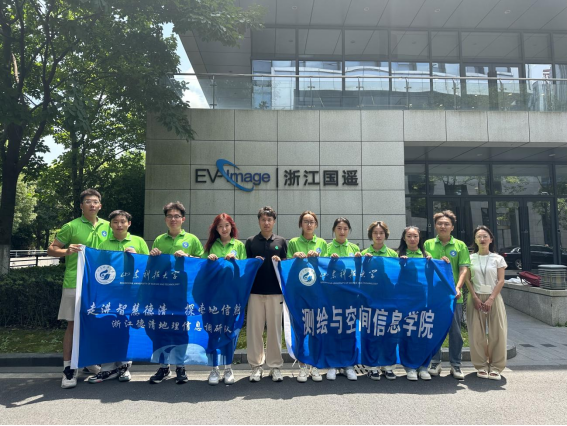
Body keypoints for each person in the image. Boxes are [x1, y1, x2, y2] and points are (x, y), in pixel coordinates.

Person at [48, 189, 111, 389]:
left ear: (100, 206)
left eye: (95, 201)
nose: (92, 204)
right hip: (74, 282)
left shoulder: (109, 226)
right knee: (73, 325)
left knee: (95, 323)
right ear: (81, 205)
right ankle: (68, 368)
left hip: (101, 284)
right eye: (88, 201)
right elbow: (51, 249)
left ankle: (88, 361)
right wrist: (66, 251)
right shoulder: (71, 226)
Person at [88, 210, 149, 384]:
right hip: (109, 295)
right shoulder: (104, 244)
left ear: (129, 223)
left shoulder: (138, 241)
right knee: (107, 329)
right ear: (110, 225)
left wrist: (136, 256)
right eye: (115, 222)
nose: (119, 225)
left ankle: (124, 367)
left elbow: (148, 265)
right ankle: (107, 368)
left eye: (123, 221)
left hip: (132, 294)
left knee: (125, 329)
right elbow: (98, 269)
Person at [148, 202, 204, 385]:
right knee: (161, 329)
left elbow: (201, 262)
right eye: (170, 216)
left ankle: (180, 366)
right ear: (165, 219)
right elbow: (151, 266)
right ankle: (163, 366)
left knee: (180, 330)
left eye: (177, 216)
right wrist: (153, 255)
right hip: (161, 293)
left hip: (182, 293)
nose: (173, 219)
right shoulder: (159, 240)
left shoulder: (191, 239)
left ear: (183, 219)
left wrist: (188, 257)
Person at [424, 211, 470, 381]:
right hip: (433, 296)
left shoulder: (460, 245)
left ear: (452, 227)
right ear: (435, 226)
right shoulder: (428, 244)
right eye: (440, 223)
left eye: (446, 224)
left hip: (453, 296)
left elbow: (464, 269)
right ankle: (435, 362)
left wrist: (458, 288)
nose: (443, 226)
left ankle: (455, 365)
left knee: (455, 331)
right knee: (434, 329)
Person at [202, 213, 247, 386]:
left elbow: (245, 270)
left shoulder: (239, 246)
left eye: (226, 225)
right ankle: (214, 368)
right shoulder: (210, 246)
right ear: (216, 229)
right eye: (220, 226)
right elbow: (201, 270)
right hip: (214, 297)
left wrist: (236, 262)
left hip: (232, 296)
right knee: (214, 331)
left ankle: (228, 368)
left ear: (231, 227)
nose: (224, 229)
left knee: (230, 331)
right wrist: (209, 261)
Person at [245, 206, 288, 384]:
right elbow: (246, 266)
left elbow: (286, 265)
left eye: (269, 219)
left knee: (275, 331)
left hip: (275, 292)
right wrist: (252, 262)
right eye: (263, 219)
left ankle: (275, 366)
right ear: (259, 221)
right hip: (255, 291)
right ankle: (256, 366)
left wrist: (280, 261)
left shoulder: (281, 241)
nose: (266, 222)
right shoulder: (251, 241)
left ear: (274, 222)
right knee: (254, 330)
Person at [288, 211, 328, 383]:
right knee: (301, 329)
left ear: (316, 225)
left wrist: (318, 258)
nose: (309, 224)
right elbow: (287, 266)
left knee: (317, 329)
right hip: (299, 292)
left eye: (312, 221)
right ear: (300, 224)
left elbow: (326, 267)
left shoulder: (322, 243)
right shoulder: (293, 243)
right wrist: (295, 258)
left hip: (316, 292)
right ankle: (303, 366)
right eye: (305, 221)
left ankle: (315, 366)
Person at [466, 226, 508, 381]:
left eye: (485, 236)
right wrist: (475, 297)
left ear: (491, 239)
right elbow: (467, 280)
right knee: (476, 333)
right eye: (479, 237)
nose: (482, 239)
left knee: (498, 331)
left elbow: (501, 280)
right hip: (475, 297)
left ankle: (496, 366)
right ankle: (481, 365)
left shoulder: (498, 258)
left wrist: (491, 299)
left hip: (494, 297)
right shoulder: (470, 258)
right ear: (475, 240)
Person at [361, 221, 399, 381]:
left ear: (386, 235)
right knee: (371, 333)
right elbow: (359, 276)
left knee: (389, 333)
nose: (378, 236)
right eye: (375, 233)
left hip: (388, 298)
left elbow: (396, 276)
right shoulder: (364, 253)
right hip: (369, 299)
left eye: (381, 233)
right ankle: (372, 366)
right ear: (371, 235)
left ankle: (388, 366)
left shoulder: (392, 254)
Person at [326, 217, 361, 382]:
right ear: (334, 230)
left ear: (349, 231)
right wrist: (330, 263)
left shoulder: (354, 248)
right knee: (333, 329)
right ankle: (332, 364)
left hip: (349, 297)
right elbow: (322, 270)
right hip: (332, 295)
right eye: (339, 228)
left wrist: (360, 260)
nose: (342, 231)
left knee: (349, 329)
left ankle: (348, 364)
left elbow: (359, 272)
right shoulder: (327, 247)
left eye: (345, 228)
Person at [397, 226, 433, 382]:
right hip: (405, 300)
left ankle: (424, 366)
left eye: (415, 236)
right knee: (407, 333)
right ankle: (409, 367)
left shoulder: (426, 255)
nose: (412, 239)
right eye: (409, 236)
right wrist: (400, 264)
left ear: (419, 238)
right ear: (404, 238)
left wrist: (442, 262)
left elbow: (433, 275)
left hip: (422, 298)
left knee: (423, 332)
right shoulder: (398, 255)